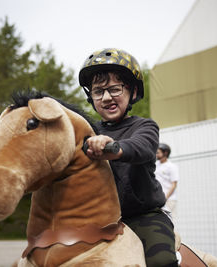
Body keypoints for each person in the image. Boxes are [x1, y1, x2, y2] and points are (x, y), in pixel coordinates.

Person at [79, 48, 178, 267]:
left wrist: (111, 146)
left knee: (162, 261)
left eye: (114, 89)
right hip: (99, 221)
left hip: (145, 216)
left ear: (132, 91)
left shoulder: (144, 126)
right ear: (90, 97)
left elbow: (141, 148)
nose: (106, 97)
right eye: (98, 91)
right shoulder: (86, 131)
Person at [155, 143, 179, 222]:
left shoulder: (171, 166)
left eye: (158, 152)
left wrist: (165, 198)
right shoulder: (156, 165)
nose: (156, 154)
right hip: (158, 200)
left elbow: (174, 184)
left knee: (169, 222)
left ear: (165, 153)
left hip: (169, 200)